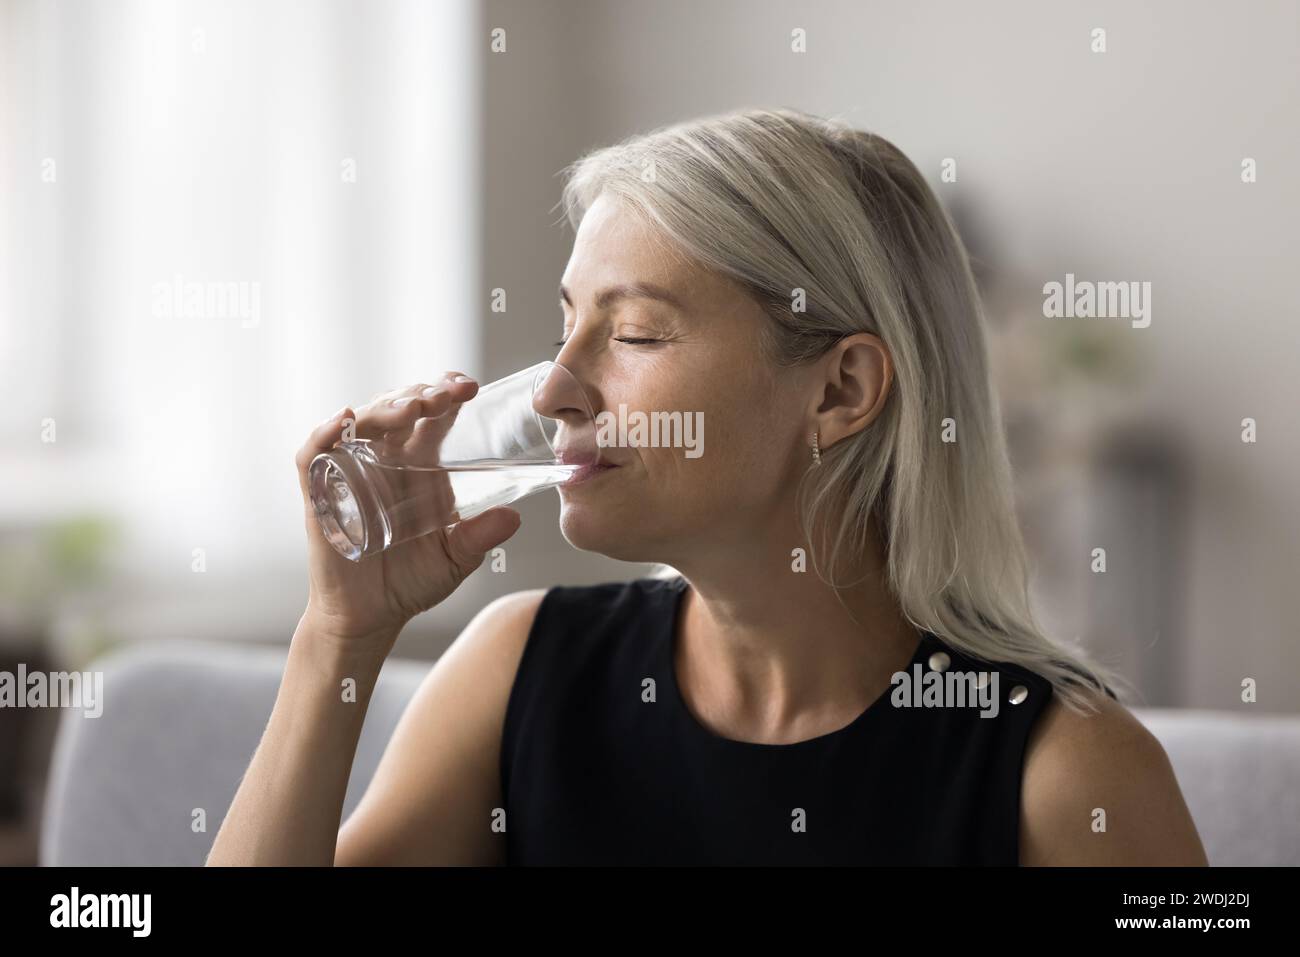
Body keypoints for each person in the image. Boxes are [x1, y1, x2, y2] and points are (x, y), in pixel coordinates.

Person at [207, 108, 1207, 866]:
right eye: (567, 328)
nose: (555, 388)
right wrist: (336, 640)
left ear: (841, 390)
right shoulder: (515, 673)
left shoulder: (1068, 771)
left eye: (634, 334)